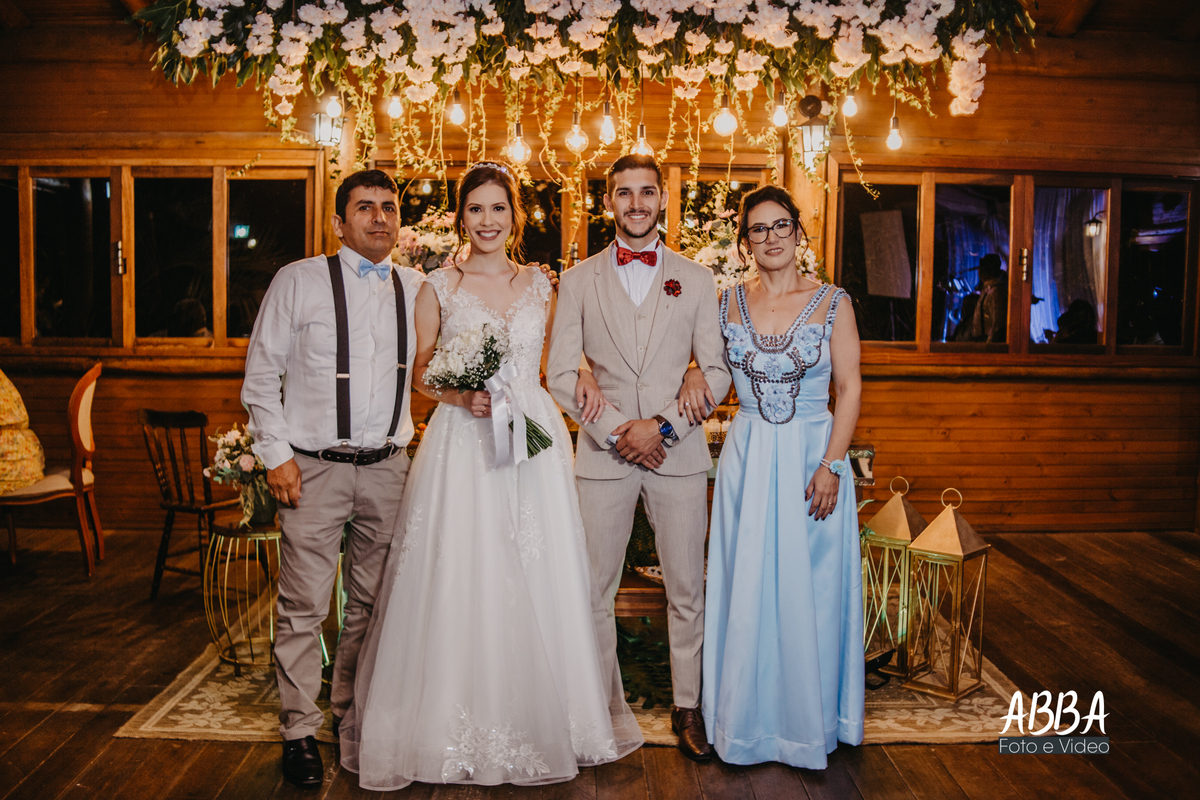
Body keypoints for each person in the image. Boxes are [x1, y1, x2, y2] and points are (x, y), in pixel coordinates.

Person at [340, 162, 642, 791]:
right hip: (464, 442)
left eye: (498, 208)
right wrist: (461, 396)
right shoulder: (438, 287)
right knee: (464, 568)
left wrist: (587, 374)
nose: (487, 220)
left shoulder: (541, 285)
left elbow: (566, 357)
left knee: (538, 567)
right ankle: (450, 724)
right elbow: (422, 373)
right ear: (461, 218)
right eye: (475, 209)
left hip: (533, 438)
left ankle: (550, 717)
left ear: (514, 216)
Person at [241, 170, 424, 788]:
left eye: (389, 207)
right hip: (313, 468)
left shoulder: (418, 288)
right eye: (364, 207)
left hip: (390, 469)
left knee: (371, 604)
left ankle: (348, 713)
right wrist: (276, 456)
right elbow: (260, 375)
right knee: (304, 606)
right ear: (338, 223)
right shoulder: (298, 280)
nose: (379, 217)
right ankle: (298, 730)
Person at [547, 154, 731, 762]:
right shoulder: (577, 280)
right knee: (593, 591)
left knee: (687, 588)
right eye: (623, 193)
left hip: (677, 455)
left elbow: (717, 372)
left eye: (646, 192)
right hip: (604, 457)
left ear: (662, 200)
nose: (635, 204)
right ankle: (600, 709)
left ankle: (688, 705)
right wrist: (617, 433)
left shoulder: (697, 279)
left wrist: (663, 429)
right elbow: (559, 373)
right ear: (608, 203)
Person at [686, 185, 865, 768]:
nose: (770, 237)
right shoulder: (727, 303)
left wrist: (831, 464)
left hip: (814, 457)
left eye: (780, 225)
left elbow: (850, 388)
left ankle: (807, 723)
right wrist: (692, 372)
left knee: (811, 587)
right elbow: (709, 367)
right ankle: (744, 722)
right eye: (758, 229)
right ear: (745, 242)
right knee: (747, 583)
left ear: (798, 231)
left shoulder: (833, 302)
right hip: (749, 455)